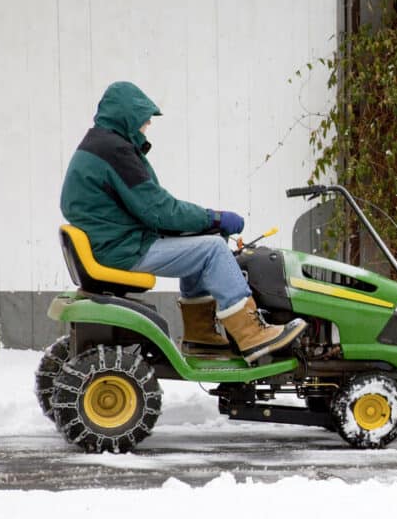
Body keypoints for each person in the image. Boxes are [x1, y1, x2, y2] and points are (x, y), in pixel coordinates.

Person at [60, 81, 306, 364]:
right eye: (144, 119)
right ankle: (251, 333)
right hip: (123, 249)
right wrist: (214, 217)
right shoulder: (114, 151)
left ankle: (200, 335)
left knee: (200, 241)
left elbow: (150, 210)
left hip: (113, 242)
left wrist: (202, 223)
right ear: (128, 115)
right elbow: (159, 210)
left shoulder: (97, 147)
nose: (148, 124)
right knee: (212, 249)